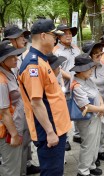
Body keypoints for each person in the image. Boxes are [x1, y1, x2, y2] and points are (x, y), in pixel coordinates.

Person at [18, 19, 72, 175]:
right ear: (43, 36)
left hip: (56, 126)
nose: (55, 38)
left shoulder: (42, 59)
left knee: (56, 170)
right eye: (53, 35)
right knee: (52, 172)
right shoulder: (33, 65)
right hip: (49, 129)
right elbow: (36, 103)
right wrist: (50, 132)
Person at [2, 25, 41, 175]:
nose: (24, 40)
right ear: (11, 40)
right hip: (11, 122)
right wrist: (12, 133)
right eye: (20, 37)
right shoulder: (5, 66)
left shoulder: (17, 59)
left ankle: (26, 165)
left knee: (25, 143)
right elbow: (4, 109)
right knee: (12, 160)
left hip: (22, 112)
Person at [69, 53, 104, 176]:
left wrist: (102, 105)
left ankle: (91, 165)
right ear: (80, 71)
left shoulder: (88, 79)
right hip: (86, 119)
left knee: (95, 143)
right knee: (88, 144)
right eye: (89, 68)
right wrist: (101, 108)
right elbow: (85, 106)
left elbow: (97, 93)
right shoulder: (76, 85)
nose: (91, 70)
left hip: (96, 116)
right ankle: (83, 171)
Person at [82, 41, 104, 166]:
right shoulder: (84, 69)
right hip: (91, 106)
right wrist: (98, 106)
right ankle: (92, 155)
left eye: (101, 54)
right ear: (90, 56)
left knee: (102, 129)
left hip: (103, 103)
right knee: (91, 133)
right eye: (97, 55)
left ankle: (100, 150)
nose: (101, 57)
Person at [53, 24, 81, 148]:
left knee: (79, 107)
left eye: (70, 33)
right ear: (59, 36)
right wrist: (70, 77)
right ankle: (66, 139)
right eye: (65, 33)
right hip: (63, 85)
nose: (68, 35)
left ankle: (78, 134)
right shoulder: (55, 51)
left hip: (77, 84)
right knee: (64, 112)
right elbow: (57, 68)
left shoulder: (76, 48)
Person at [0, 40, 25, 176]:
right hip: (8, 131)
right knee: (10, 168)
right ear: (3, 59)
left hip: (14, 126)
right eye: (12, 56)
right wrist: (14, 134)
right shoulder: (2, 81)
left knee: (14, 164)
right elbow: (3, 112)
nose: (16, 58)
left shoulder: (8, 71)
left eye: (16, 55)